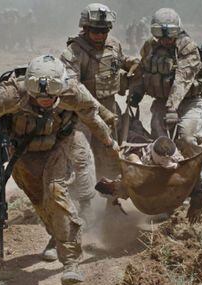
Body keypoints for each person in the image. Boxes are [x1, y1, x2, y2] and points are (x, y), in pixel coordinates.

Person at [0, 54, 118, 285]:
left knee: (56, 192)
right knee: (40, 200)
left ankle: (71, 263)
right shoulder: (9, 94)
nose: (45, 100)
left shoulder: (72, 91)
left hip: (59, 144)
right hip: (23, 152)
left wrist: (109, 144)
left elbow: (92, 116)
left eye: (51, 94)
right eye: (38, 95)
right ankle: (57, 236)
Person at [128, 8, 202, 224]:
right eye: (160, 34)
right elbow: (141, 71)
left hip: (189, 103)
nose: (164, 39)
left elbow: (183, 79)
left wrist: (173, 108)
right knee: (161, 147)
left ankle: (201, 187)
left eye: (169, 34)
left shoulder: (188, 48)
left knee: (185, 138)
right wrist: (135, 92)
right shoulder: (150, 46)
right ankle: (167, 200)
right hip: (162, 104)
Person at [60, 3, 140, 210]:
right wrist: (101, 110)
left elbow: (119, 61)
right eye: (95, 30)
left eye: (104, 30)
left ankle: (111, 204)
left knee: (111, 159)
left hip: (110, 109)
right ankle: (83, 207)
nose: (100, 35)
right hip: (81, 115)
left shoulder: (113, 44)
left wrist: (133, 63)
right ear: (85, 28)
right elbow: (73, 87)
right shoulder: (74, 52)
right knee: (81, 158)